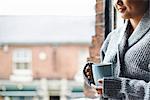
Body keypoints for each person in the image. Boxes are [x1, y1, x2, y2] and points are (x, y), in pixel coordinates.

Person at [83, 0, 150, 99]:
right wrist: (96, 77)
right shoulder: (113, 37)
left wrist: (120, 88)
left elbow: (116, 87)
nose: (117, 2)